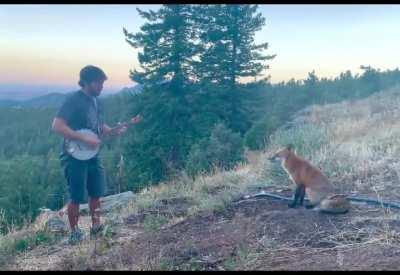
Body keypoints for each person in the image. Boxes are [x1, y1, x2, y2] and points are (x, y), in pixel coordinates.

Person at [52, 65, 133, 244]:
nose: (101, 87)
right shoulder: (73, 100)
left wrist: (113, 130)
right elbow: (57, 126)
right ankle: (74, 233)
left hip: (92, 155)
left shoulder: (97, 101)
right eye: (98, 83)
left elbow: (98, 126)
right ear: (87, 82)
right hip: (73, 155)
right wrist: (83, 138)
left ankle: (96, 228)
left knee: (96, 192)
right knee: (76, 196)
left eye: (102, 83)